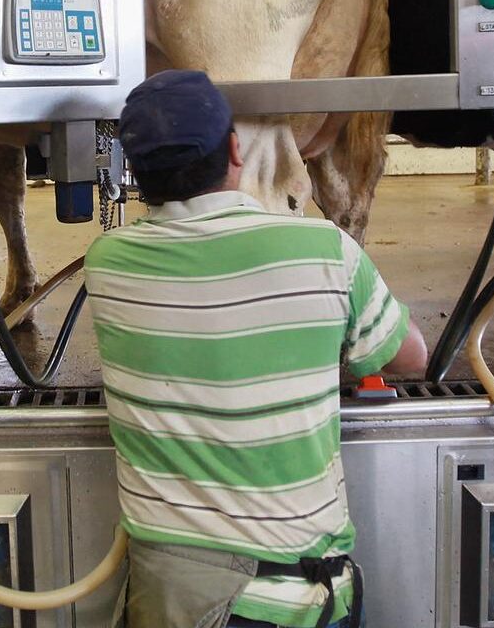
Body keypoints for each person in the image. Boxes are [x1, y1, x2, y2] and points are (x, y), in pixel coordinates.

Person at [86, 69, 428, 628]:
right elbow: (409, 358)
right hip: (301, 595)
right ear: (234, 151)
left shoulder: (107, 264)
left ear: (135, 173)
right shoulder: (323, 249)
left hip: (176, 601)